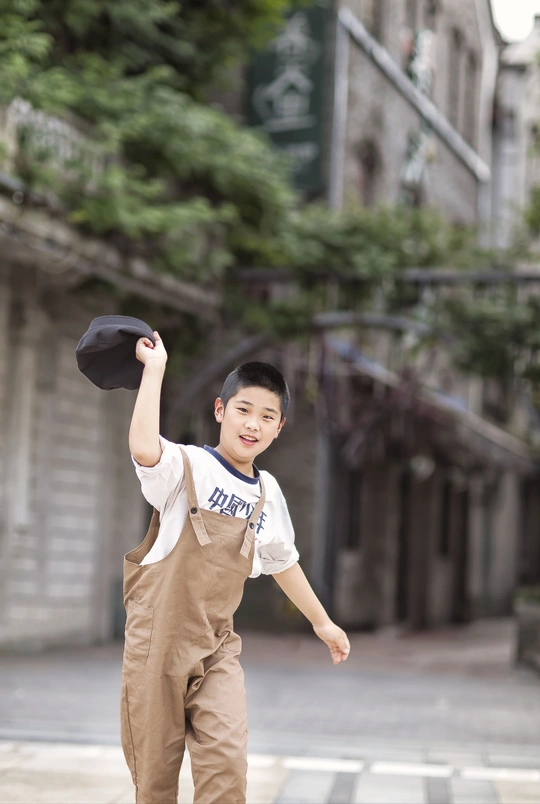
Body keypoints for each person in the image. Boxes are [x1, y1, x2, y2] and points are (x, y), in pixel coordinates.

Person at [122, 330, 350, 804]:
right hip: (155, 648)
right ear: (220, 411)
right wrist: (155, 370)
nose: (253, 424)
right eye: (243, 410)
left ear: (279, 428)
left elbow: (283, 562)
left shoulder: (267, 494)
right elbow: (144, 447)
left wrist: (323, 622)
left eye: (267, 416)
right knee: (155, 783)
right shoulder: (184, 467)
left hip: (215, 650)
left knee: (226, 766)